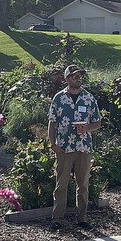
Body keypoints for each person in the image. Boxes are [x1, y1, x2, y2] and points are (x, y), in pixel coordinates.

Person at [46, 64, 102, 230]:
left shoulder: (89, 98)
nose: (77, 79)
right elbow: (52, 122)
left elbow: (97, 122)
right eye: (74, 76)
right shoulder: (59, 98)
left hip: (84, 148)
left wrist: (87, 128)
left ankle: (82, 218)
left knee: (83, 185)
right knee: (61, 185)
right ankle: (57, 218)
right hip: (64, 148)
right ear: (67, 79)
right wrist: (53, 144)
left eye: (79, 76)